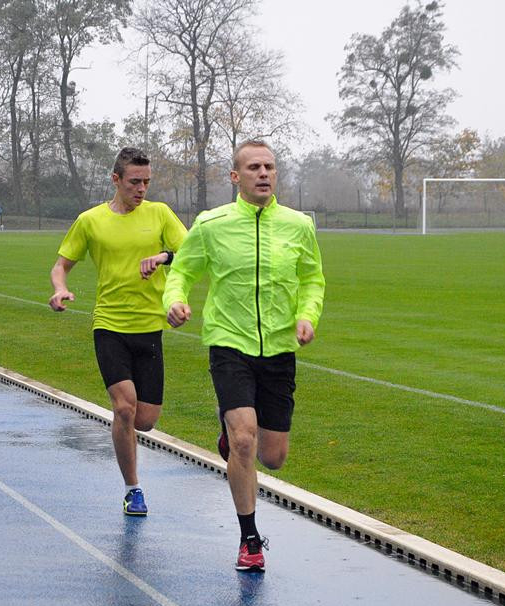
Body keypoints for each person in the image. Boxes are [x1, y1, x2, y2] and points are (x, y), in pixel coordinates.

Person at [163, 139, 325, 572]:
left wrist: (307, 316)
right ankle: (250, 539)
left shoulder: (298, 225)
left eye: (269, 167)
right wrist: (174, 302)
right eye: (254, 167)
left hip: (278, 349)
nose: (264, 174)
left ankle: (229, 434)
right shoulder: (212, 224)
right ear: (236, 177)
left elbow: (313, 280)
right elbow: (182, 271)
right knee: (245, 440)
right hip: (229, 342)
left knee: (272, 456)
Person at [49, 147, 187, 517]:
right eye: (134, 182)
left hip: (150, 328)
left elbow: (191, 252)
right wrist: (60, 288)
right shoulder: (90, 220)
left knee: (145, 420)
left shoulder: (159, 214)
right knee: (124, 407)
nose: (141, 188)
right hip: (109, 325)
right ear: (116, 180)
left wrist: (163, 257)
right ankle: (133, 489)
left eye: (146, 182)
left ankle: (131, 451)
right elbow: (62, 265)